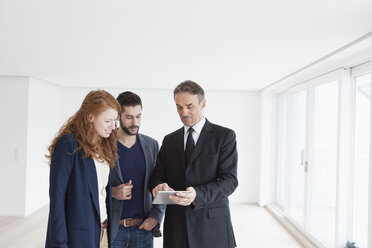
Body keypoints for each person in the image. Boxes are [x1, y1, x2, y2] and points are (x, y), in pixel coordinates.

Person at [150, 80, 238, 248]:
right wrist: (158, 186)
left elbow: (230, 181)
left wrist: (197, 194)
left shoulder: (224, 136)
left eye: (189, 106)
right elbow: (157, 175)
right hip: (177, 227)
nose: (184, 112)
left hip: (212, 226)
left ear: (203, 103)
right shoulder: (170, 140)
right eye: (179, 107)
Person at [45, 90, 121, 248]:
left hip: (103, 230)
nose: (113, 126)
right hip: (78, 234)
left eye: (115, 120)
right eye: (108, 120)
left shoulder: (104, 144)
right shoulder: (68, 143)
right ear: (90, 117)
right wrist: (59, 241)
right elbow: (57, 196)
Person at [110, 91, 165, 248]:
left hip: (143, 229)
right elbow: (91, 184)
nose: (135, 122)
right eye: (129, 117)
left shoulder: (152, 145)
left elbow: (160, 182)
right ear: (118, 116)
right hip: (113, 229)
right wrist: (112, 192)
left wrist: (156, 215)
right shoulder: (103, 146)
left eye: (138, 116)